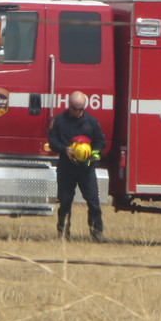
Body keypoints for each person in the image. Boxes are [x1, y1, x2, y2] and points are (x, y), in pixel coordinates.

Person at [48, 91, 108, 242]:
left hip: (86, 169)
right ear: (69, 106)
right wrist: (64, 149)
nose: (78, 112)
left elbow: (101, 143)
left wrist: (92, 155)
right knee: (65, 202)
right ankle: (63, 234)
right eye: (75, 108)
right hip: (66, 169)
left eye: (81, 109)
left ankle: (97, 234)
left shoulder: (91, 122)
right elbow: (52, 141)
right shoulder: (60, 120)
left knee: (93, 202)